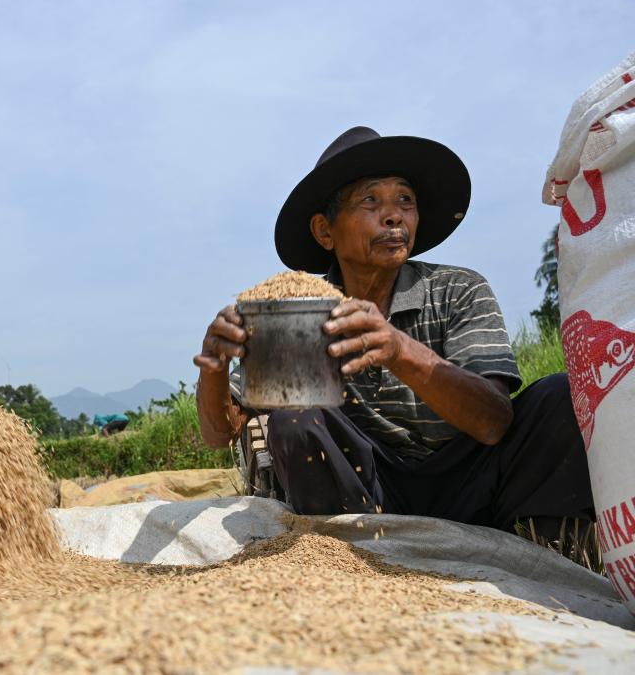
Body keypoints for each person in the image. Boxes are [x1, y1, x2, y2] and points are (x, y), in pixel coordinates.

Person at [194, 126, 595, 549]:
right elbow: (220, 433)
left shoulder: (457, 290)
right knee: (293, 421)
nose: (394, 216)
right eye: (371, 200)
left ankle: (554, 552)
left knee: (558, 395)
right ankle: (339, 554)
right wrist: (215, 369)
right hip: (368, 498)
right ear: (324, 231)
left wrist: (398, 349)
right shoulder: (302, 313)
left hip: (475, 484)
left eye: (405, 200)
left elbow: (494, 422)